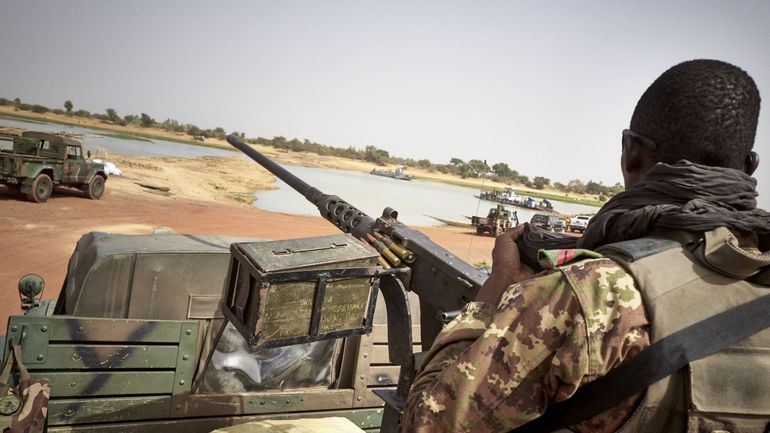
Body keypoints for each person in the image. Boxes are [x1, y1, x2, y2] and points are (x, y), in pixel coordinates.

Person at [402, 59, 770, 433]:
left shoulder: (588, 295)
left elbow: (425, 424)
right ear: (750, 166)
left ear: (630, 153)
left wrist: (492, 294)